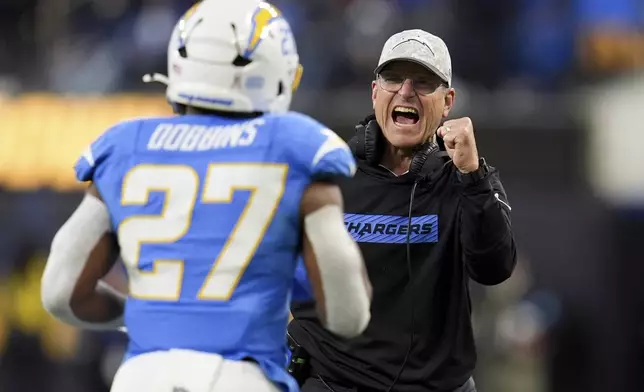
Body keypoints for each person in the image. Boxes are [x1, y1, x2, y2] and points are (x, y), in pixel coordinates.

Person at [40, 1, 372, 391]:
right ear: (279, 72)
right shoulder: (297, 146)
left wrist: (150, 313)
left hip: (142, 377)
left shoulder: (125, 145)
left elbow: (61, 292)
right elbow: (347, 314)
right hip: (241, 377)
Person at [288, 29, 517, 392]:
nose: (406, 91)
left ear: (448, 102)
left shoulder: (470, 179)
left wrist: (473, 177)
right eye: (393, 78)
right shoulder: (329, 173)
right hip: (333, 382)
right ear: (375, 91)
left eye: (423, 81)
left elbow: (494, 268)